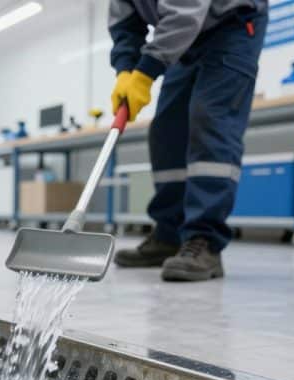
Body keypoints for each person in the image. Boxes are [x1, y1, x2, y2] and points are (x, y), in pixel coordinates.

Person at [108, 0, 267, 281]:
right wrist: (124, 69)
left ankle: (205, 240)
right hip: (188, 37)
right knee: (167, 130)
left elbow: (186, 11)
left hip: (232, 25)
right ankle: (169, 235)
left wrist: (144, 75)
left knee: (210, 119)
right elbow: (124, 24)